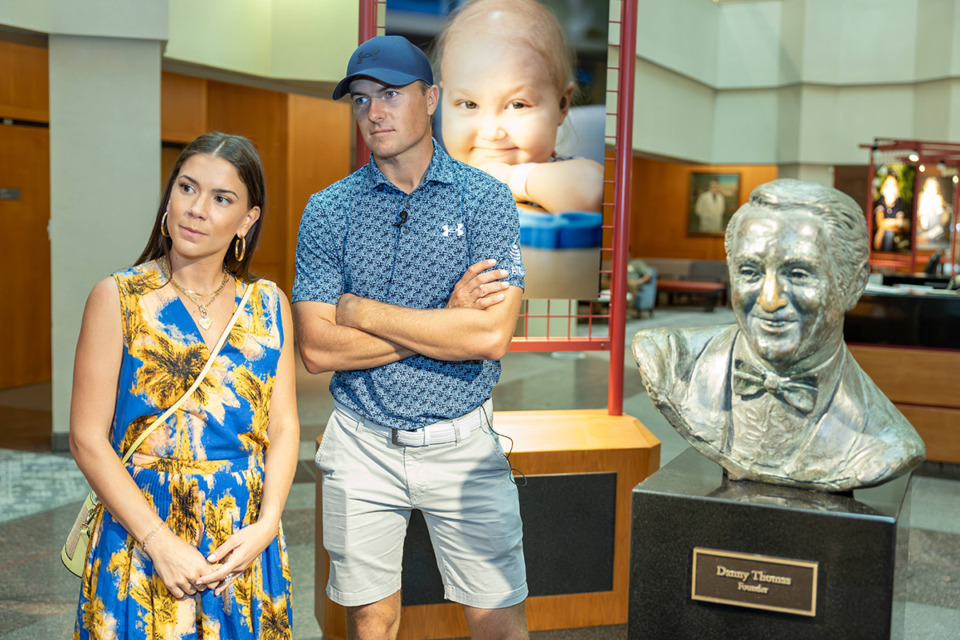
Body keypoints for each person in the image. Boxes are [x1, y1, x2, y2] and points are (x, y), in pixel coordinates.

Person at [293, 36, 528, 640]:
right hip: (360, 444)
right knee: (371, 620)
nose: (374, 113)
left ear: (431, 99)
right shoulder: (327, 210)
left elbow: (491, 335)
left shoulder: (487, 200)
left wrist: (361, 310)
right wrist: (443, 319)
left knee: (497, 617)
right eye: (362, 100)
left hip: (465, 443)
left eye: (390, 95)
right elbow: (317, 348)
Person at [70, 132, 299, 638]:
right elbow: (87, 438)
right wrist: (158, 542)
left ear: (247, 220)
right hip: (142, 533)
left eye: (222, 199)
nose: (197, 209)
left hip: (242, 539)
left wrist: (266, 525)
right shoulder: (119, 297)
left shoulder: (267, 304)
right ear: (168, 197)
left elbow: (283, 426)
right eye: (187, 188)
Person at [632, 179, 925, 492]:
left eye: (798, 274)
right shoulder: (670, 359)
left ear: (853, 284)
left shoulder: (887, 442)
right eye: (750, 272)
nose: (770, 300)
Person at [434, 0, 603, 214]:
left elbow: (595, 191)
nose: (491, 133)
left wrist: (508, 178)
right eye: (469, 104)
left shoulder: (561, 177)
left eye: (517, 105)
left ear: (562, 105)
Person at [873, 171, 909, 251]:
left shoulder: (900, 203)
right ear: (883, 188)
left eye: (894, 185)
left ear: (898, 188)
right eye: (888, 185)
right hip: (878, 242)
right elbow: (880, 223)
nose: (891, 189)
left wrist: (882, 228)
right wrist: (898, 222)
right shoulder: (880, 201)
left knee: (889, 233)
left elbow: (901, 228)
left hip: (895, 240)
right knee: (889, 234)